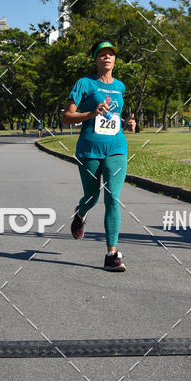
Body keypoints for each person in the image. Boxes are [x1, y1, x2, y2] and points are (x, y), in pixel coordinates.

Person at [62, 39, 136, 272]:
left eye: (110, 54)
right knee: (92, 197)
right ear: (96, 59)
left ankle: (111, 254)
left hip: (116, 148)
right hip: (89, 149)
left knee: (113, 197)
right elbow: (66, 117)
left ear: (115, 60)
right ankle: (81, 212)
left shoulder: (120, 87)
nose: (107, 57)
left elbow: (112, 118)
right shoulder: (84, 83)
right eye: (102, 54)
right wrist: (91, 113)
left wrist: (128, 123)